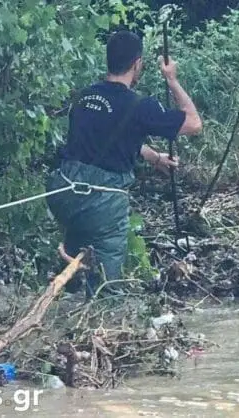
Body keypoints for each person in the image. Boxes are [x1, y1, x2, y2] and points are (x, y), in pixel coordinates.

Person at [45, 30, 202, 298]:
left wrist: (154, 157)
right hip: (103, 200)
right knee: (107, 287)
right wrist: (172, 80)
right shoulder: (140, 105)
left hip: (63, 194)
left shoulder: (84, 97)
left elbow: (111, 139)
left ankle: (60, 297)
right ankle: (102, 320)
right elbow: (193, 123)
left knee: (73, 263)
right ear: (137, 63)